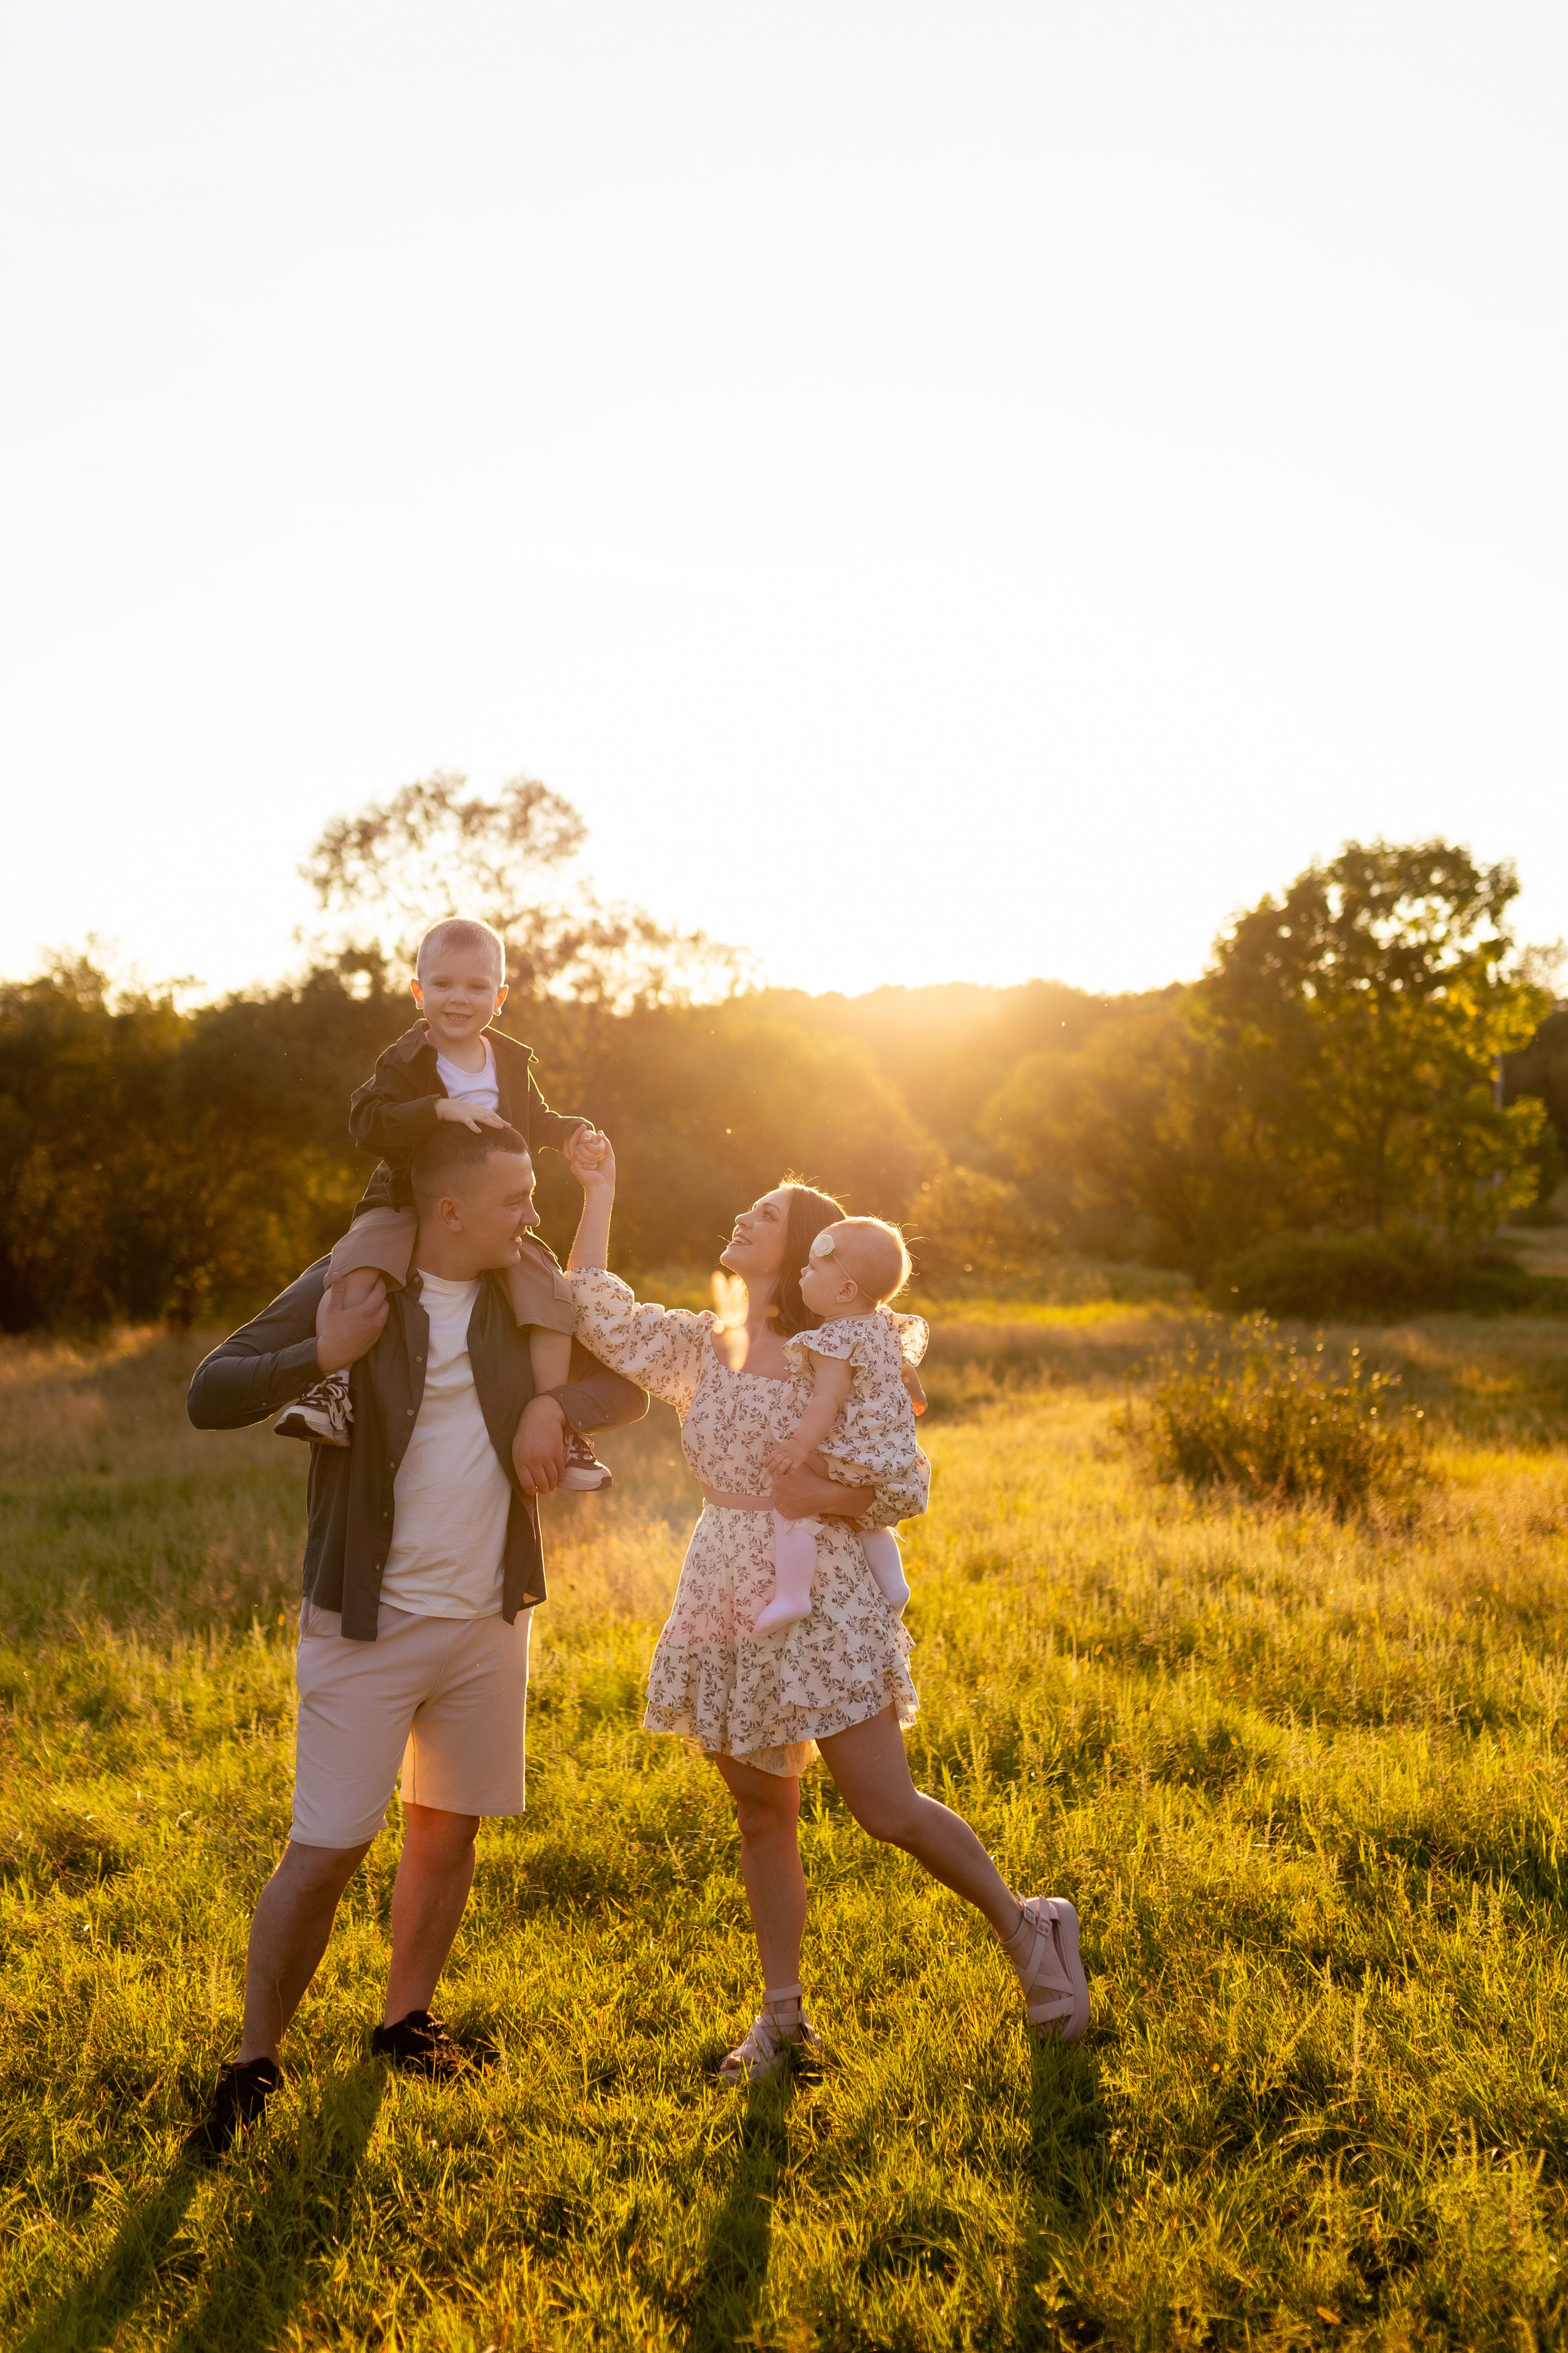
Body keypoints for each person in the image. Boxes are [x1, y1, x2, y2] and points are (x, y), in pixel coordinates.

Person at [561, 1130, 1090, 2084]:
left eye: (764, 1214)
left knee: (884, 1806)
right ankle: (784, 2021)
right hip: (724, 1586)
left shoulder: (844, 1351)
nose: (742, 1218)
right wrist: (599, 1187)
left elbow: (902, 1482)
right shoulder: (702, 1344)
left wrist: (823, 1498)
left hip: (824, 1596)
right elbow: (594, 1308)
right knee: (763, 1813)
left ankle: (1032, 1929)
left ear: (806, 1252)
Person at [182, 1119, 646, 2158]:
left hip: (490, 1617)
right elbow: (211, 1389)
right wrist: (323, 1352)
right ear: (449, 1211)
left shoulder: (525, 1290)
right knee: (327, 1849)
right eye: (517, 1198)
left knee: (449, 1826)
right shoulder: (354, 1280)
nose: (534, 1214)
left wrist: (554, 1406)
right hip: (366, 1622)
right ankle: (254, 2062)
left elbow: (630, 1387)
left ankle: (405, 2021)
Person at [276, 915, 613, 1492]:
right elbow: (367, 1120)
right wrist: (436, 1109)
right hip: (409, 1198)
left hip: (491, 1211)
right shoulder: (405, 1060)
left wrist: (571, 1134)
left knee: (550, 1289)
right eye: (444, 985)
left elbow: (535, 1120)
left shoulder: (507, 1061)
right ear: (419, 991)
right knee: (361, 1256)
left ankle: (555, 1421)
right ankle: (332, 1387)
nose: (460, 998)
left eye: (477, 987)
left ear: (499, 997)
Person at [755, 1214, 927, 1633]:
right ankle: (894, 1585)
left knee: (791, 1504)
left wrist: (798, 1446)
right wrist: (919, 1398)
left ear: (845, 1290)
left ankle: (792, 1593)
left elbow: (827, 1401)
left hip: (847, 1453)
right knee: (869, 1519)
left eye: (813, 1268)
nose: (802, 1271)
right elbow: (906, 1370)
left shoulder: (832, 1341)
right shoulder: (885, 1323)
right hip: (890, 1453)